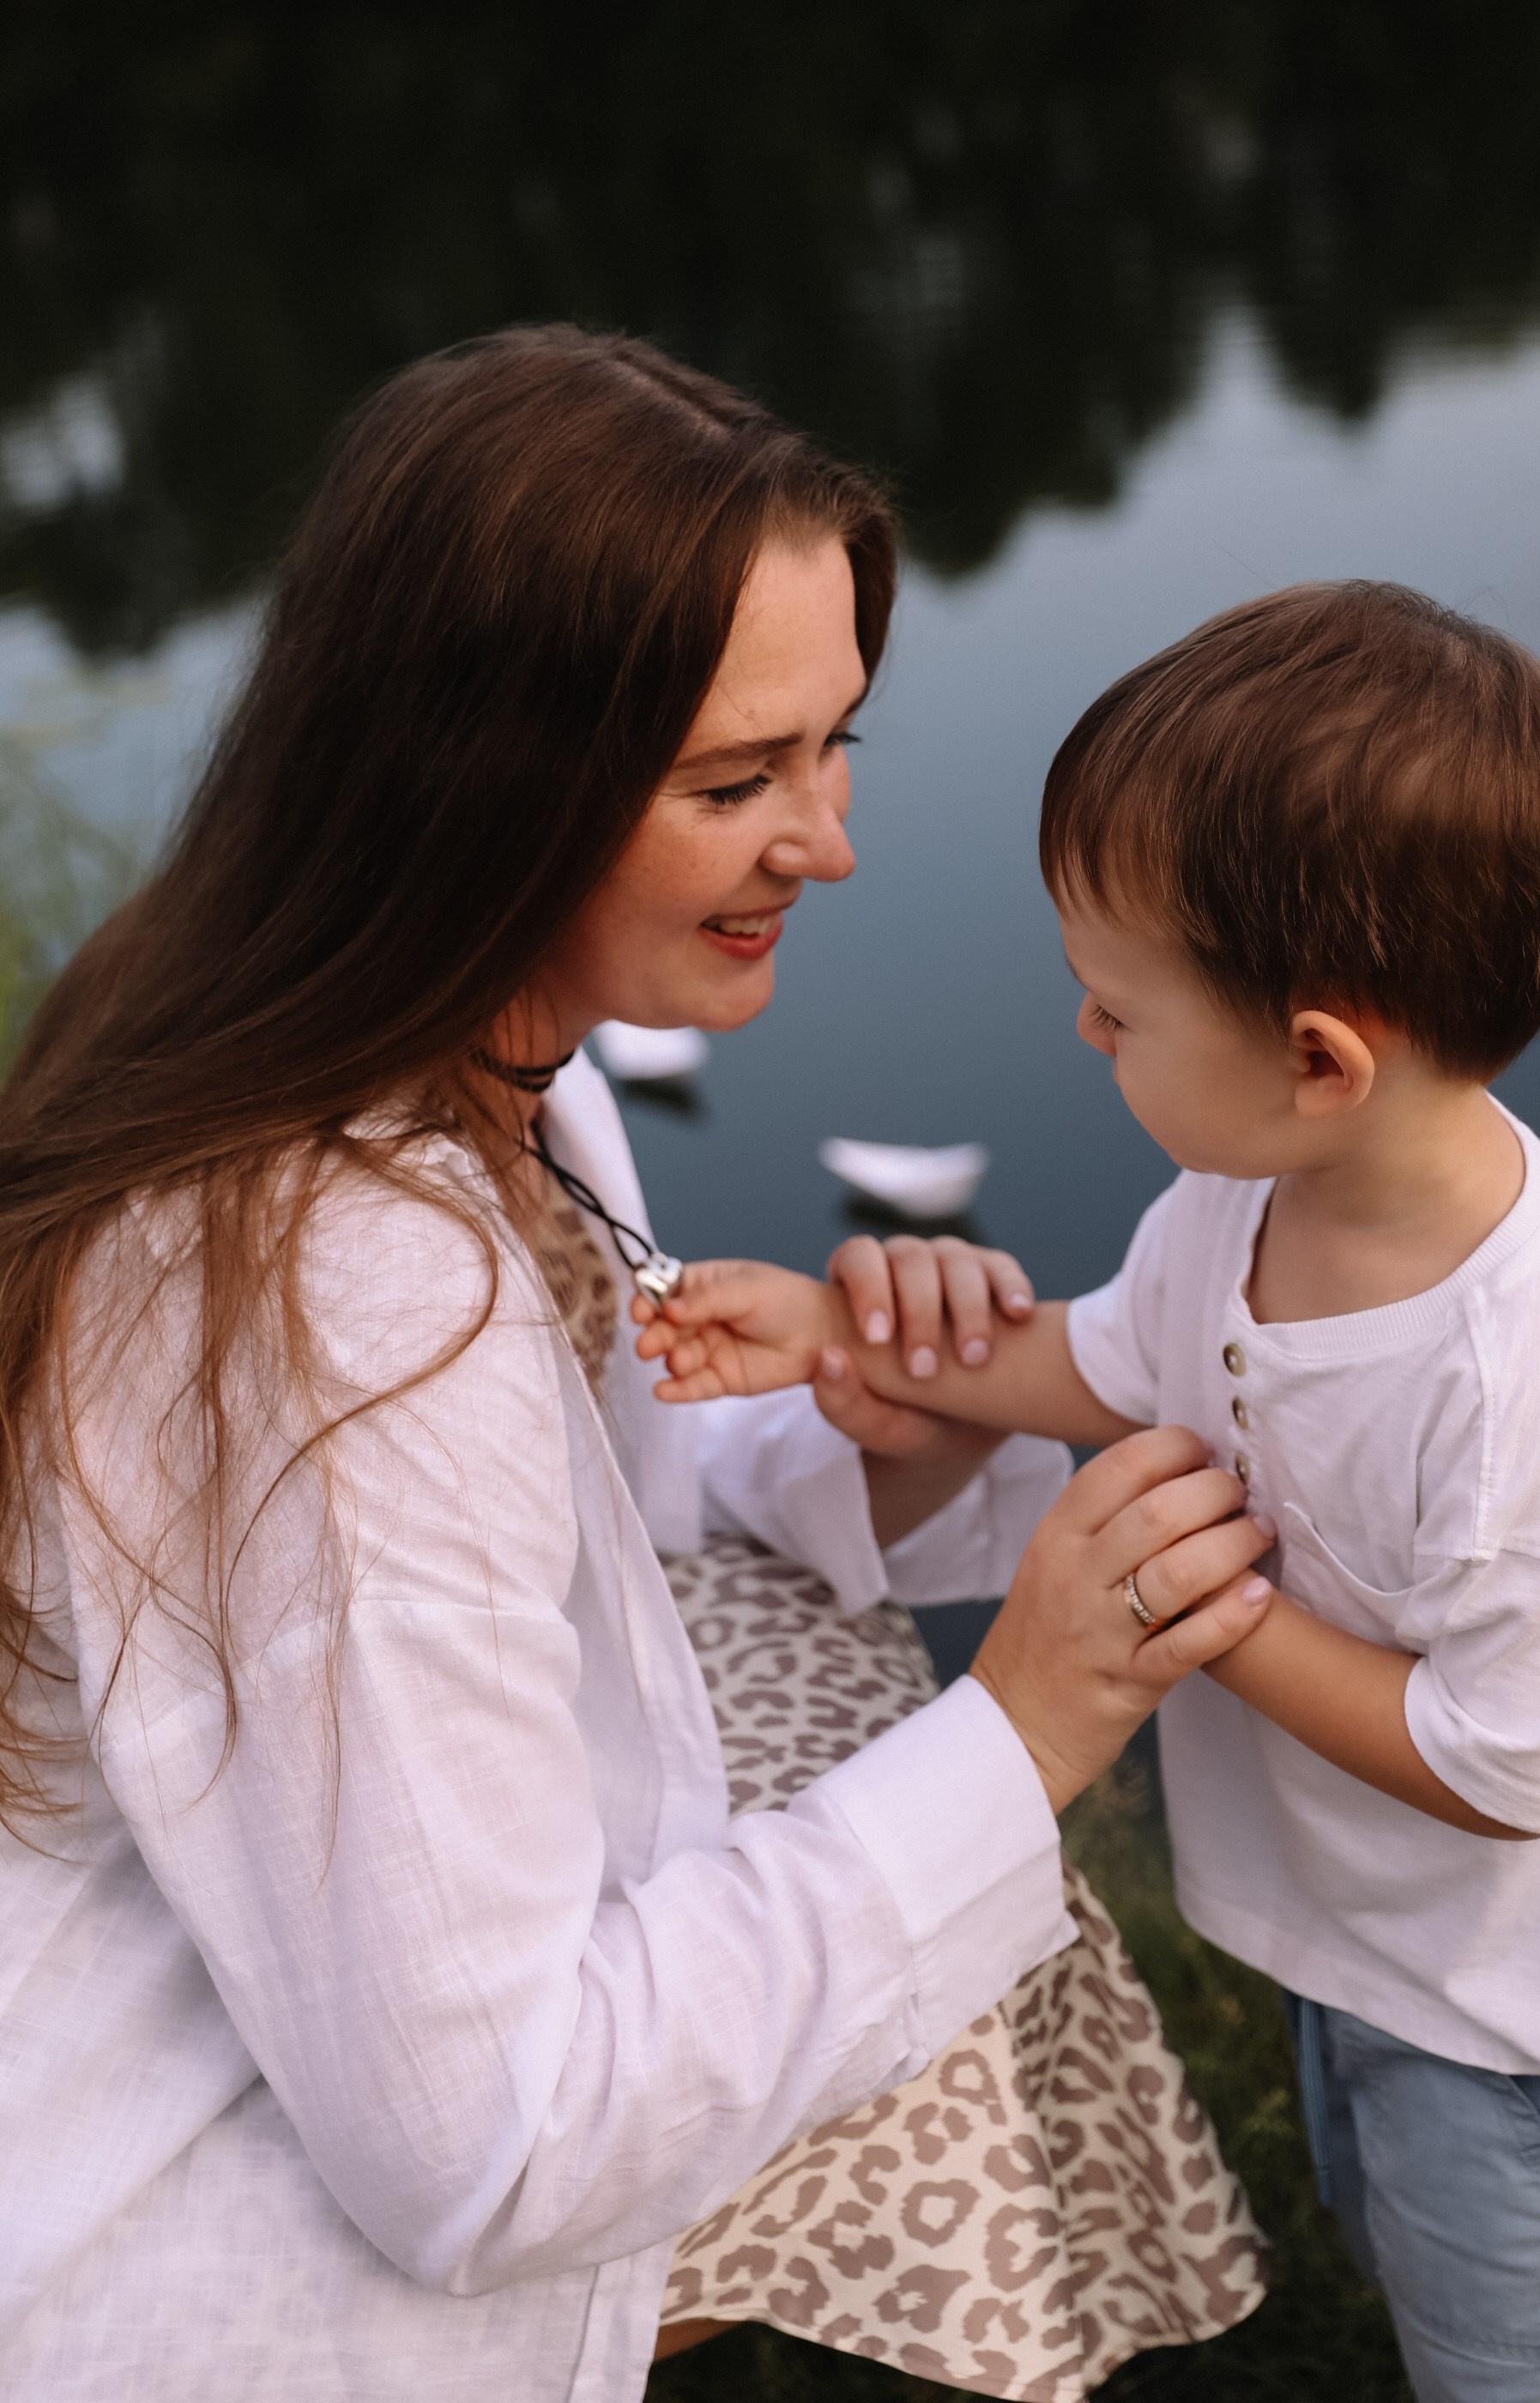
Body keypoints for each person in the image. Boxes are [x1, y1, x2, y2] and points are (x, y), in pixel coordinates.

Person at [0, 327, 1276, 2401]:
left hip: (299, 1970)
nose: (830, 842)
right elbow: (488, 2148)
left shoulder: (453, 1052)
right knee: (952, 1915)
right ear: (476, 780)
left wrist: (879, 1434)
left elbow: (606, 1503)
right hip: (169, 2251)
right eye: (733, 783)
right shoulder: (346, 1315)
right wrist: (1029, 1724)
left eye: (834, 743)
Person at [642, 579, 1540, 2403]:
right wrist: (844, 1336)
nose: (1087, 1041)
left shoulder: (1521, 1391)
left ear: (1318, 1059)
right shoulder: (1246, 1205)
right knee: (1415, 2268)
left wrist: (1205, 1621)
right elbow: (1101, 1361)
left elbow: (1506, 1762)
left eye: (1115, 1010)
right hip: (1385, 1960)